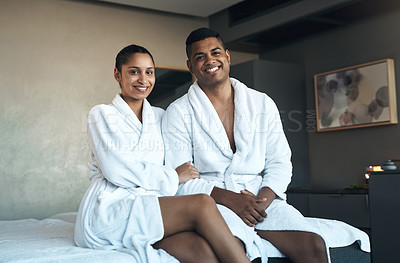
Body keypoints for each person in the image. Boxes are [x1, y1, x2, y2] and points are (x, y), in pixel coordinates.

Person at [162, 28, 370, 263]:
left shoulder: (261, 103)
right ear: (191, 66)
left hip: (260, 197)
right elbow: (181, 181)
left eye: (215, 52)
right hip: (214, 202)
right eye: (200, 57)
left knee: (314, 246)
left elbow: (279, 162)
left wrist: (260, 202)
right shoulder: (178, 112)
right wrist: (233, 201)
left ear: (227, 57)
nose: (210, 60)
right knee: (233, 247)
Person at [74, 44, 253, 263]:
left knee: (202, 251)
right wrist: (174, 177)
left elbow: (176, 158)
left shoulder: (160, 116)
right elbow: (116, 170)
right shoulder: (101, 114)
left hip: (151, 204)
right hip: (112, 207)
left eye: (149, 72)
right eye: (133, 71)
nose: (143, 79)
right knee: (202, 204)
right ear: (117, 75)